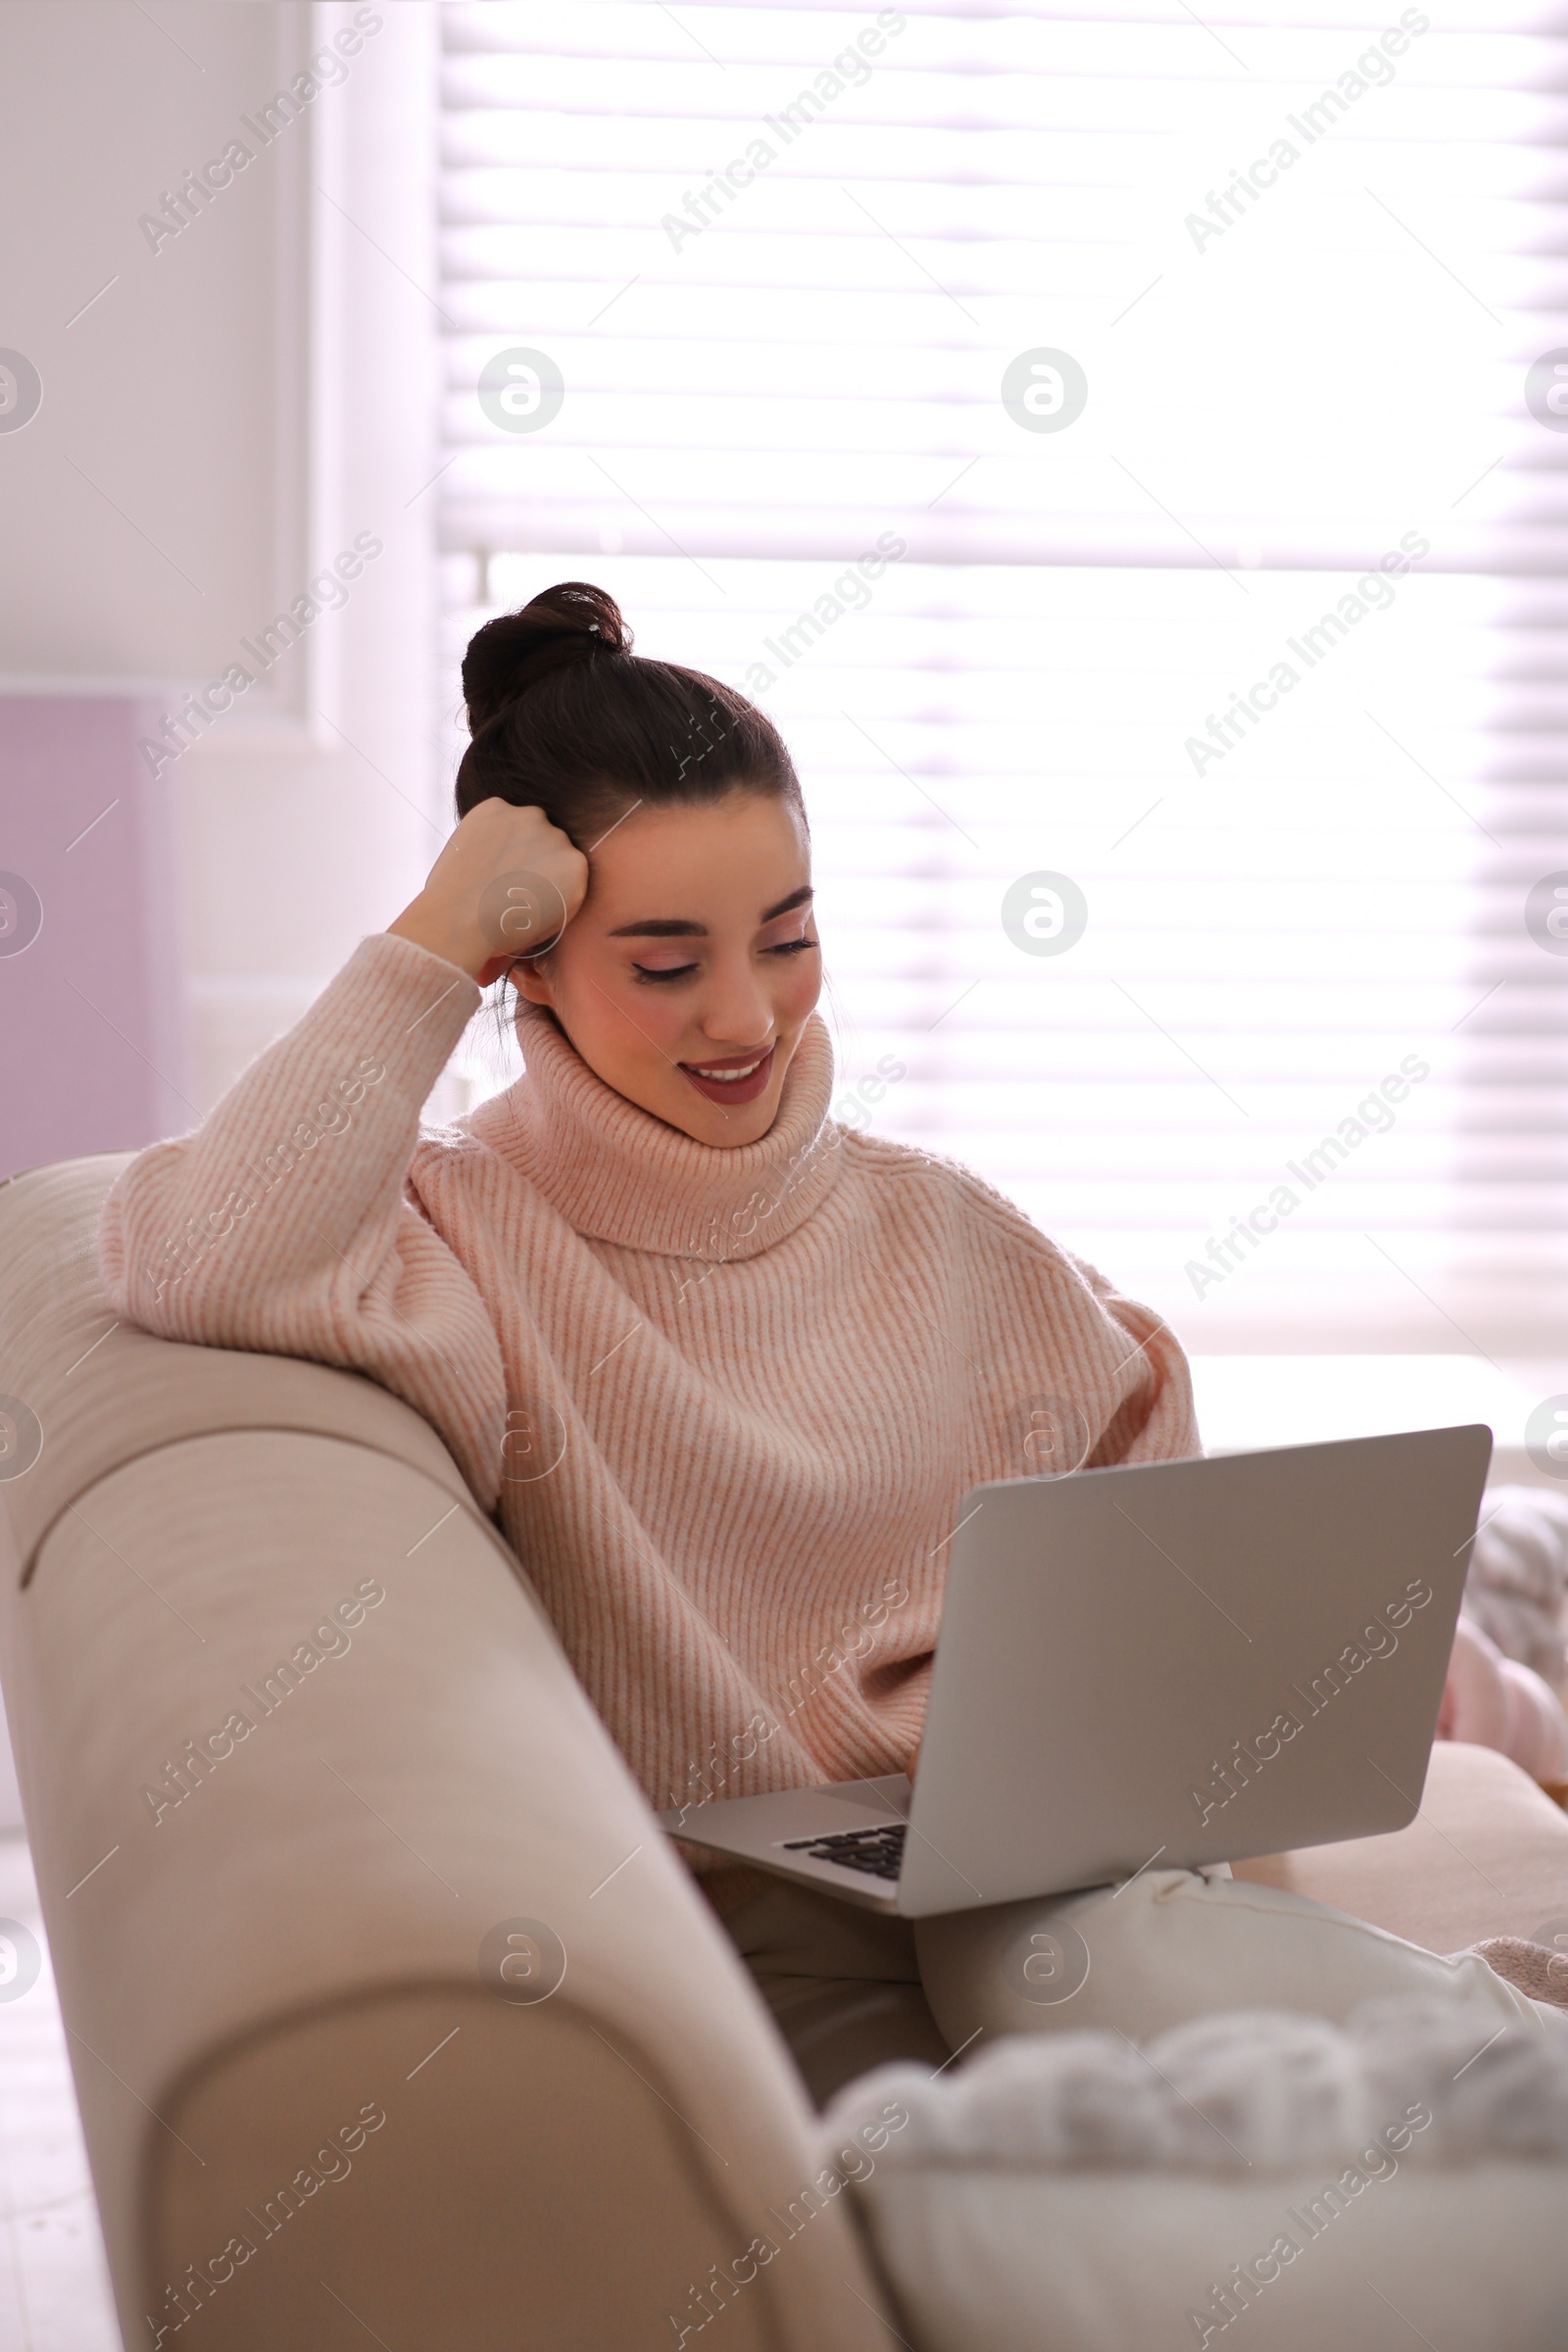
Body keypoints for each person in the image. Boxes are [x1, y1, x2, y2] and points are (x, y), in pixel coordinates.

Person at [100, 582, 1565, 2106]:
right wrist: (430, 933)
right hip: (768, 1940)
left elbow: (1159, 1532)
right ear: (524, 963)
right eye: (665, 962)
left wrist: (1241, 1869)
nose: (748, 1016)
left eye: (787, 938)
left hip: (1055, 1888)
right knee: (927, 2161)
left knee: (1110, 1970)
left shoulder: (950, 1234)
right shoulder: (455, 1236)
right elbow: (197, 1253)